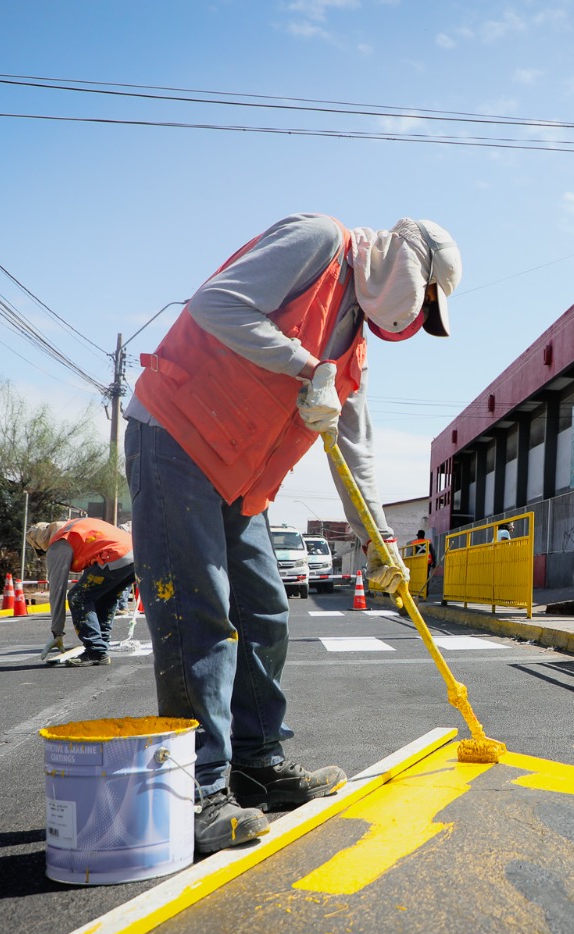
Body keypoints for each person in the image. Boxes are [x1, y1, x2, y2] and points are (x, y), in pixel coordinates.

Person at [124, 214, 461, 853]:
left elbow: (356, 454)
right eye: (425, 302)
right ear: (406, 262)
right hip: (175, 436)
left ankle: (256, 765)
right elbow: (215, 304)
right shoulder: (321, 242)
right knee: (201, 616)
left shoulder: (354, 349)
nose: (415, 319)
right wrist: (308, 368)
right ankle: (198, 790)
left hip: (238, 474)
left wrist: (380, 544)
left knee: (265, 611)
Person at [26, 517, 136, 667]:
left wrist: (57, 632)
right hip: (135, 556)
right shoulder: (76, 526)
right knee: (105, 598)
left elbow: (57, 591)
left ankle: (95, 651)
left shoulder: (58, 542)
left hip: (114, 556)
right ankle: (100, 646)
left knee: (77, 597)